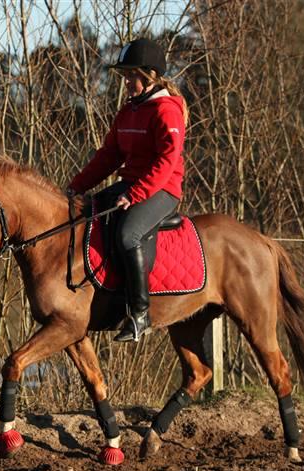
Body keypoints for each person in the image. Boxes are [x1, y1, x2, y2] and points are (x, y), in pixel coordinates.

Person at [67, 38, 189, 342]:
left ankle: (139, 314)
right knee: (91, 214)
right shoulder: (128, 112)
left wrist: (135, 195)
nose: (125, 82)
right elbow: (109, 156)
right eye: (124, 76)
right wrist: (76, 187)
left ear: (148, 76)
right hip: (132, 183)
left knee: (127, 234)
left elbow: (166, 161)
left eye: (130, 76)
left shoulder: (167, 111)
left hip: (163, 189)